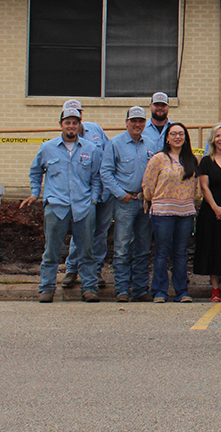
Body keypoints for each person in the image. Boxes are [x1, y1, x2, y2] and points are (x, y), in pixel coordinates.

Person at [22, 107, 103, 303]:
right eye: (68, 122)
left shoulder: (90, 149)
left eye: (75, 123)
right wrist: (36, 193)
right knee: (51, 250)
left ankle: (89, 288)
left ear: (79, 125)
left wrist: (93, 200)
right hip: (56, 206)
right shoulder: (47, 148)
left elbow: (96, 178)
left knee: (87, 251)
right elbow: (35, 172)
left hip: (83, 207)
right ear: (61, 125)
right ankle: (47, 288)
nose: (71, 126)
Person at [100, 106, 155, 302]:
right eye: (134, 121)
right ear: (126, 122)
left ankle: (140, 289)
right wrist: (120, 194)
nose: (137, 124)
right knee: (122, 248)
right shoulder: (115, 143)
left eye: (141, 121)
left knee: (143, 248)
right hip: (125, 202)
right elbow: (106, 172)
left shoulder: (151, 144)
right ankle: (122, 289)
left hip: (145, 202)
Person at [142, 122, 199, 303]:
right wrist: (154, 199)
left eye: (181, 134)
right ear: (167, 137)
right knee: (162, 252)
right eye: (173, 134)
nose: (177, 137)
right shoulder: (158, 159)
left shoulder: (191, 160)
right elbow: (148, 185)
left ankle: (182, 291)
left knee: (180, 253)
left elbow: (196, 187)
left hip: (185, 213)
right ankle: (159, 291)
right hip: (163, 212)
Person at [61, 99, 112, 290]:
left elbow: (108, 154)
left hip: (104, 191)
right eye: (69, 116)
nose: (74, 120)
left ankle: (95, 270)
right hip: (83, 193)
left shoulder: (95, 130)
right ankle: (72, 269)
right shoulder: (66, 139)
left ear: (81, 115)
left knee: (100, 232)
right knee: (80, 232)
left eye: (78, 114)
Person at [194, 123, 221, 303]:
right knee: (212, 248)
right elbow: (204, 186)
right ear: (213, 139)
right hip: (210, 211)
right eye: (218, 136)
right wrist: (216, 208)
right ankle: (214, 289)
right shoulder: (206, 161)